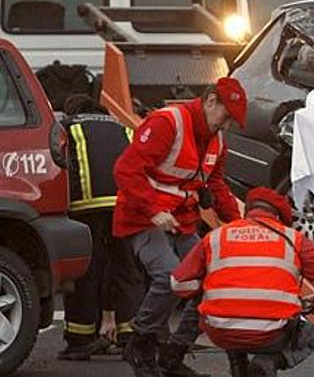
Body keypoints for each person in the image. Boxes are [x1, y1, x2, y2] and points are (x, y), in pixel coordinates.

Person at [113, 77, 248, 377]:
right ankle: (141, 344)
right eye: (226, 118)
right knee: (170, 277)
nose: (225, 127)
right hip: (142, 218)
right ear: (210, 101)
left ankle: (173, 354)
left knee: (209, 283)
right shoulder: (168, 123)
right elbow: (126, 169)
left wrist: (240, 225)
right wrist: (153, 210)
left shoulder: (216, 140)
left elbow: (215, 183)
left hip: (182, 221)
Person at [171, 187, 314, 377]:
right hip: (269, 335)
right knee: (309, 335)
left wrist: (207, 290)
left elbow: (177, 283)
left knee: (228, 308)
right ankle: (268, 362)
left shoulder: (216, 236)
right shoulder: (294, 239)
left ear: (248, 211)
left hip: (220, 331)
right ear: (280, 217)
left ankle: (233, 368)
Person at [57, 94, 141, 360]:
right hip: (124, 203)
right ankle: (129, 337)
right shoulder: (122, 127)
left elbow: (60, 164)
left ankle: (81, 341)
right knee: (127, 268)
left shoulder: (68, 127)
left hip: (86, 205)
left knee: (86, 270)